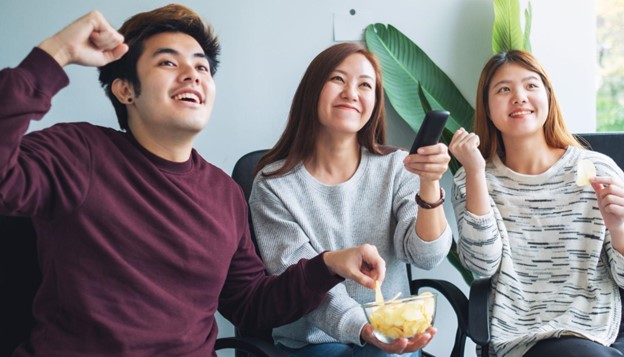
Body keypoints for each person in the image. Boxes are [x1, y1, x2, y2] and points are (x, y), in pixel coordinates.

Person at [0, 5, 388, 357]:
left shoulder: (225, 193)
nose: (192, 75)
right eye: (168, 63)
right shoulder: (77, 152)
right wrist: (57, 54)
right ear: (125, 89)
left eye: (202, 67)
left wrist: (329, 265)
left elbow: (249, 302)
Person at [249, 42, 453, 356]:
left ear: (374, 101)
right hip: (312, 339)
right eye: (337, 79)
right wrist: (365, 327)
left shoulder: (397, 168)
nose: (351, 93)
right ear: (312, 90)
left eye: (365, 85)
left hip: (389, 335)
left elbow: (426, 256)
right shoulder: (274, 185)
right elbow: (300, 283)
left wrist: (429, 182)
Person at [449, 49, 624, 357]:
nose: (519, 96)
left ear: (548, 97)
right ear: (487, 108)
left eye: (531, 85)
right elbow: (482, 265)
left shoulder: (599, 170)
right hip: (522, 338)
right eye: (504, 89)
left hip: (599, 328)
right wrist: (476, 172)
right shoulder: (471, 177)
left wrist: (620, 228)